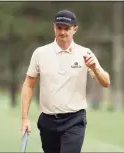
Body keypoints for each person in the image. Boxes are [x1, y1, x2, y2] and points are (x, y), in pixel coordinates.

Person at [21, 10, 110, 153]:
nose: (62, 32)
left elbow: (106, 82)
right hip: (47, 121)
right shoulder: (40, 53)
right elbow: (28, 84)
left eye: (67, 28)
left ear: (75, 29)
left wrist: (95, 69)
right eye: (59, 28)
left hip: (74, 120)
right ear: (54, 28)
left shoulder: (85, 54)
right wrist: (25, 118)